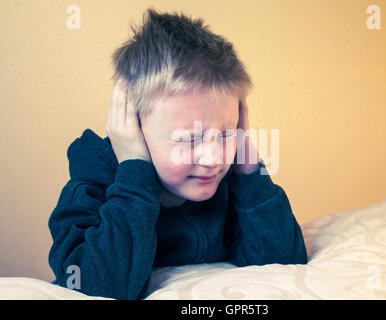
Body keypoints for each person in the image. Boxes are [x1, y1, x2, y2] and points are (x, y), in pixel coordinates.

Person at [48, 7, 307, 300]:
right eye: (190, 139)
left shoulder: (230, 184)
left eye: (225, 133)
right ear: (134, 128)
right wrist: (135, 172)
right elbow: (98, 289)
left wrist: (248, 165)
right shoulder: (92, 187)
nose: (213, 159)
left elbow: (284, 264)